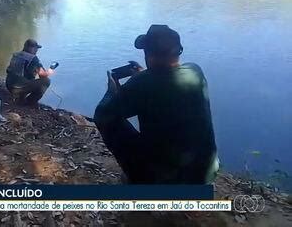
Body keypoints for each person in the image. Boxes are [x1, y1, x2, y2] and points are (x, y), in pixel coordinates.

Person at [94, 25, 219, 184]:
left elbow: (102, 115)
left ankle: (140, 177)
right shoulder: (195, 70)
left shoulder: (142, 84)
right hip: (205, 173)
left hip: (167, 178)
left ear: (149, 55)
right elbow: (163, 85)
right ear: (178, 51)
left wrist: (112, 91)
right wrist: (145, 75)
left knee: (109, 121)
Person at [5, 39, 54, 106]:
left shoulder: (16, 55)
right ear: (31, 48)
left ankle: (20, 98)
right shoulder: (33, 58)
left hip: (9, 85)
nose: (37, 50)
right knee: (46, 81)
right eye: (36, 48)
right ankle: (30, 102)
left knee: (28, 77)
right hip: (18, 88)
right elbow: (42, 75)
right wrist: (50, 71)